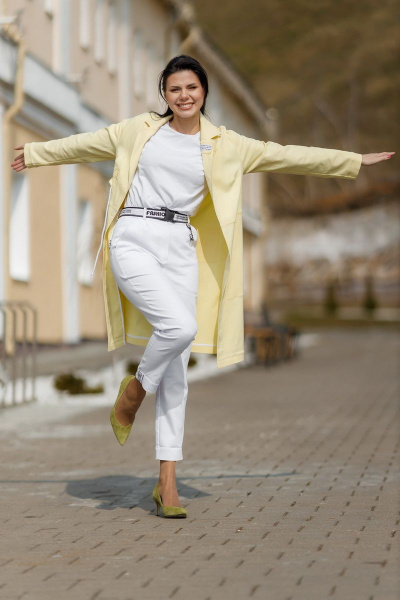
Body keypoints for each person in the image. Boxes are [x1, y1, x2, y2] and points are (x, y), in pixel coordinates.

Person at [11, 54, 395, 518]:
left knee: (178, 368)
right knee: (178, 327)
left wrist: (353, 161)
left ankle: (166, 483)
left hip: (180, 247)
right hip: (133, 237)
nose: (183, 95)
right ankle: (133, 394)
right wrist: (34, 154)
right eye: (174, 89)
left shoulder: (226, 144)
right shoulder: (139, 131)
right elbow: (84, 144)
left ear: (204, 91)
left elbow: (287, 155)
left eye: (191, 87)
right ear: (164, 95)